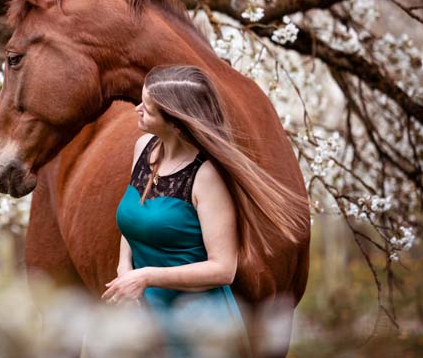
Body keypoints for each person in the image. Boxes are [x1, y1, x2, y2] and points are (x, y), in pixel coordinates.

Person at [102, 65, 308, 358]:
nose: (137, 109)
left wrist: (146, 276)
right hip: (147, 313)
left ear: (176, 123)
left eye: (147, 108)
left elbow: (224, 269)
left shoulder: (206, 177)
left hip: (198, 324)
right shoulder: (143, 148)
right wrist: (125, 268)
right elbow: (134, 218)